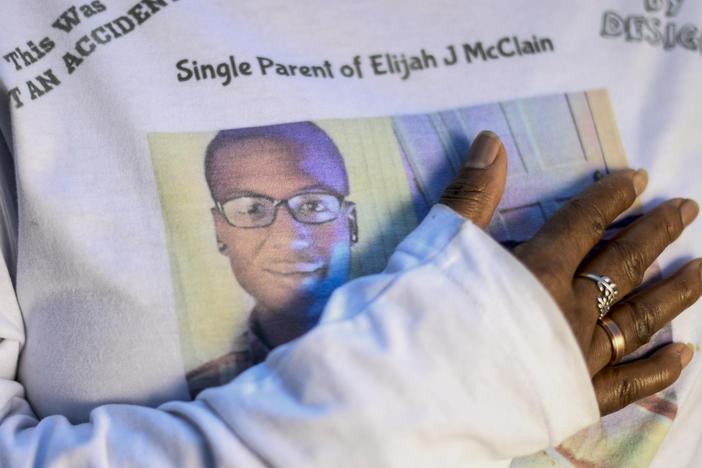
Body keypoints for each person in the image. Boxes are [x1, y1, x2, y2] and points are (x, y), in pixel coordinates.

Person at [186, 123, 359, 395]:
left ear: (351, 224)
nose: (289, 238)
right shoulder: (199, 394)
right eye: (252, 209)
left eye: (313, 205)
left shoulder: (423, 345)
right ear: (220, 231)